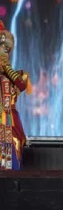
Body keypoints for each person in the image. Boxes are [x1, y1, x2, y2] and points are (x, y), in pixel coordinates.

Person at [0, 20, 30, 170]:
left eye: (6, 50)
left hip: (10, 121)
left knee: (12, 158)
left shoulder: (16, 76)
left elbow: (22, 85)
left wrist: (6, 67)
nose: (3, 53)